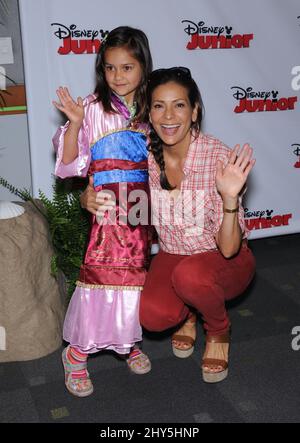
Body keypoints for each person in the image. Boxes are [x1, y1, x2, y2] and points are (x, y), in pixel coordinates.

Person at [80, 66, 256, 384]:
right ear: (150, 111)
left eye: (179, 105)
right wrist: (87, 199)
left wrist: (230, 198)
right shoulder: (143, 154)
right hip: (174, 254)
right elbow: (118, 197)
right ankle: (187, 313)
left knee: (191, 276)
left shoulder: (218, 157)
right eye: (159, 106)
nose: (168, 116)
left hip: (224, 260)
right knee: (152, 316)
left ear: (194, 111)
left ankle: (218, 330)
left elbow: (229, 249)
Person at [52, 26, 153, 397]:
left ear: (143, 65)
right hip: (108, 208)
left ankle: (129, 342)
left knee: (137, 277)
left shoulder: (153, 107)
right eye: (110, 68)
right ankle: (76, 356)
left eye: (127, 67)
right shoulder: (92, 108)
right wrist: (75, 122)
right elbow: (68, 166)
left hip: (141, 210)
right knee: (101, 279)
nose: (118, 76)